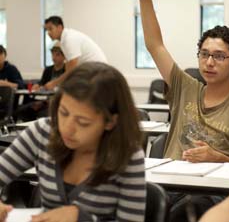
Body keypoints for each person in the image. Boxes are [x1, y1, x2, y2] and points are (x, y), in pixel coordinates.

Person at [113, 0, 229, 221]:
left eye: (219, 56)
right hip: (168, 183)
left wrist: (217, 156)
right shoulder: (185, 88)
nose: (209, 62)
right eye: (204, 55)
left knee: (184, 212)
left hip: (213, 192)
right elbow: (155, 46)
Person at [0, 62, 146, 222]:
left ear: (110, 121)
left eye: (83, 122)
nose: (67, 128)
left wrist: (82, 219)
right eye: (63, 113)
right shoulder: (43, 132)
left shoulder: (128, 155)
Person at [43, 16, 108, 90]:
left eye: (51, 29)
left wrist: (54, 83)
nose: (48, 33)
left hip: (97, 72)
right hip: (91, 71)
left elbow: (72, 67)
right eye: (47, 30)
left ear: (60, 27)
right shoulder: (63, 41)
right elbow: (68, 64)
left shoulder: (69, 39)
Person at [17, 42, 66, 121]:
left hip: (58, 102)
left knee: (45, 112)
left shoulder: (67, 70)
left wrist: (44, 102)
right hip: (44, 100)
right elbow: (42, 83)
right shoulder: (48, 70)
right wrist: (37, 85)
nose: (54, 57)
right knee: (26, 109)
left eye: (57, 55)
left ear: (64, 57)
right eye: (53, 54)